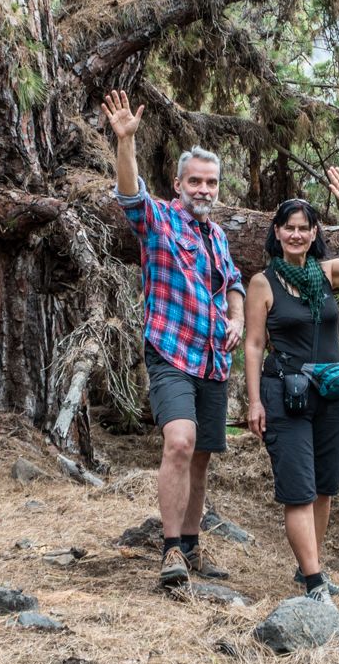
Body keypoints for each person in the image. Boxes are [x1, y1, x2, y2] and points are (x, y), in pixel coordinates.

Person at [104, 90, 246, 589]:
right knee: (179, 443)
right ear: (179, 184)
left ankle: (191, 546)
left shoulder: (219, 236)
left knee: (201, 455)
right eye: (196, 182)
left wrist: (238, 318)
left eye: (211, 183)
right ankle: (168, 551)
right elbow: (129, 195)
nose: (204, 190)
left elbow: (233, 284)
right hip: (170, 350)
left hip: (213, 359)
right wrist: (126, 142)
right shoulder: (160, 220)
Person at [242, 168, 339, 605]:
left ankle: (310, 571)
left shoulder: (326, 275)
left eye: (304, 229)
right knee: (299, 488)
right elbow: (253, 344)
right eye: (290, 228)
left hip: (332, 395)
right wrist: (252, 402)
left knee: (324, 486)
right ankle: (316, 580)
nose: (297, 235)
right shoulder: (263, 283)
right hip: (285, 395)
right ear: (277, 233)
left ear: (314, 232)